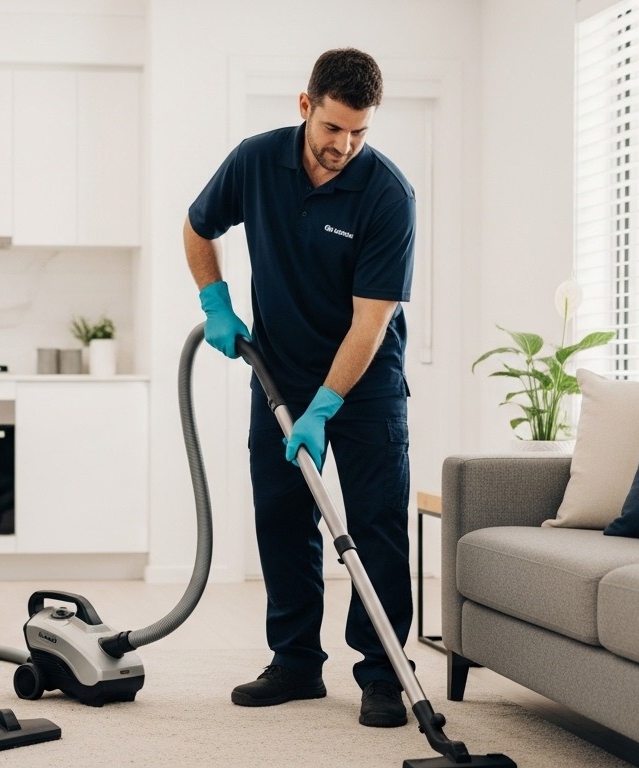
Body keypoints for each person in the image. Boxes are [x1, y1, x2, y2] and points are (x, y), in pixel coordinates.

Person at [183, 47, 416, 728]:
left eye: (360, 131)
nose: (344, 144)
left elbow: (372, 323)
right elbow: (199, 226)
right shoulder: (256, 161)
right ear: (305, 106)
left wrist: (326, 405)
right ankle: (294, 663)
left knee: (375, 526)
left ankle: (382, 674)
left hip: (365, 386)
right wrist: (215, 301)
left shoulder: (387, 194)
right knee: (283, 518)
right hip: (278, 373)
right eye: (334, 127)